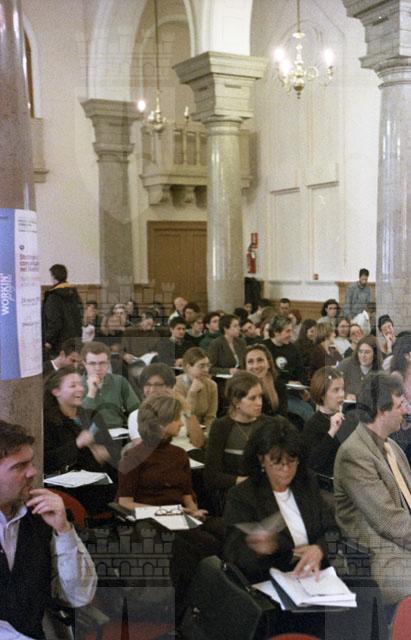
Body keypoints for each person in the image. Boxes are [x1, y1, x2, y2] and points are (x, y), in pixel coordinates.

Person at [223, 419, 383, 640]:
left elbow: (332, 530)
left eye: (292, 461)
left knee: (367, 591)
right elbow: (233, 554)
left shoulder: (305, 484)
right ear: (261, 459)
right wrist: (260, 549)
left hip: (315, 575)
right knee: (313, 618)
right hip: (273, 579)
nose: (286, 470)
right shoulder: (243, 496)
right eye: (277, 463)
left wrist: (319, 549)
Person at [0, 421, 97, 640]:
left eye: (31, 462)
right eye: (19, 466)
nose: (33, 472)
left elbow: (80, 595)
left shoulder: (38, 516)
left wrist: (63, 530)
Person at [334, 372, 411, 610]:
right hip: (379, 555)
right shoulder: (354, 454)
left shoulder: (393, 448)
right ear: (381, 411)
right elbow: (389, 522)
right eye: (400, 405)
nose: (406, 410)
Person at [117, 395, 204, 516]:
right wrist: (168, 511)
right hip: (150, 519)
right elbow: (125, 503)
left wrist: (195, 513)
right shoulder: (133, 457)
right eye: (177, 418)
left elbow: (187, 496)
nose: (181, 424)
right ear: (161, 423)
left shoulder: (180, 454)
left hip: (179, 516)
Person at [204, 372, 273, 496]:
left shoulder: (268, 424)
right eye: (252, 398)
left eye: (260, 397)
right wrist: (247, 482)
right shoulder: (221, 427)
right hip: (234, 492)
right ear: (236, 401)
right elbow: (211, 476)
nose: (259, 403)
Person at [43, 366, 112, 475]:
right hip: (68, 481)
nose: (80, 389)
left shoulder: (93, 416)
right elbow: (47, 462)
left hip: (102, 477)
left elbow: (110, 447)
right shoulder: (47, 422)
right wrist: (77, 444)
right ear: (56, 391)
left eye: (80, 384)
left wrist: (106, 452)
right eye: (73, 386)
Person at [81, 341, 139, 430]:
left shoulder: (119, 381)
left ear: (108, 363)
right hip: (88, 434)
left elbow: (136, 411)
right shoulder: (76, 385)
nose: (98, 368)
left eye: (102, 363)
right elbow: (81, 419)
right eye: (92, 363)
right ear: (84, 363)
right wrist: (91, 393)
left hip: (118, 432)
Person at [302, 367, 345, 476]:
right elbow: (313, 463)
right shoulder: (312, 425)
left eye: (342, 389)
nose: (341, 394)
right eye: (336, 390)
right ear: (322, 395)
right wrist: (331, 432)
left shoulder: (347, 419)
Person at [175, 347, 218, 435]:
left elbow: (210, 417)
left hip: (203, 432)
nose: (206, 369)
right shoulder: (176, 384)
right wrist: (192, 392)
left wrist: (206, 435)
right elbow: (184, 415)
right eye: (201, 366)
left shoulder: (211, 385)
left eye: (207, 365)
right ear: (188, 367)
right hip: (181, 430)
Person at [42, 264, 83, 356]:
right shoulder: (74, 294)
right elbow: (80, 316)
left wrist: (49, 341)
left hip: (59, 343)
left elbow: (54, 321)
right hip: (76, 340)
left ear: (53, 276)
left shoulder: (53, 297)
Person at [245, 344, 287, 416]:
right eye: (250, 361)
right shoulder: (238, 388)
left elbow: (282, 416)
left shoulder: (279, 385)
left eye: (260, 360)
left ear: (269, 363)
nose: (255, 366)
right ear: (245, 367)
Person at [263, 315, 304, 384]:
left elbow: (300, 371)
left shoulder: (293, 349)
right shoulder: (264, 348)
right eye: (288, 331)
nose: (291, 335)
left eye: (291, 331)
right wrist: (286, 383)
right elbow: (265, 375)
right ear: (276, 332)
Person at [338, 335, 382, 399]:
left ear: (375, 354)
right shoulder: (346, 364)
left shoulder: (379, 372)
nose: (363, 355)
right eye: (360, 351)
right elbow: (332, 388)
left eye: (367, 352)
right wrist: (346, 396)